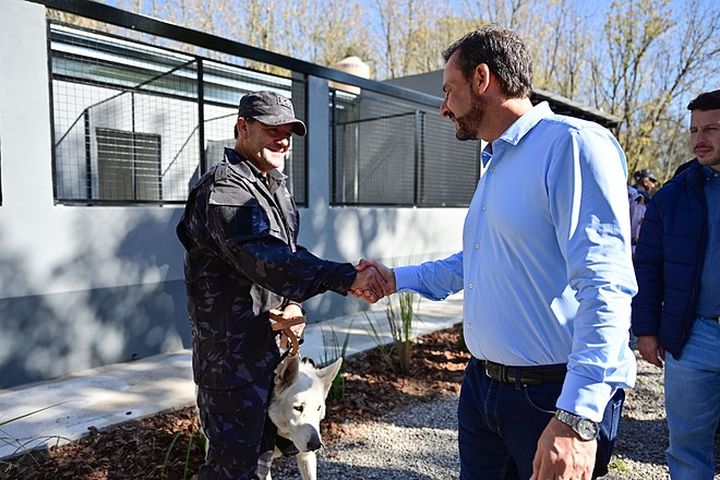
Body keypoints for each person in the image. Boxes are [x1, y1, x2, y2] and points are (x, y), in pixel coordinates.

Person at [356, 25, 637, 480]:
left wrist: (578, 416)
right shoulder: (495, 160)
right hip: (482, 389)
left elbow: (606, 285)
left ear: (482, 79)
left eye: (449, 91)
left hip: (550, 398)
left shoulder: (571, 145)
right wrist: (396, 280)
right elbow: (478, 261)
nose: (443, 107)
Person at [176, 90, 387, 480]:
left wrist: (291, 300)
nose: (283, 139)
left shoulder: (271, 185)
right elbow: (265, 259)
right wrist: (345, 276)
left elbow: (285, 251)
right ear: (242, 127)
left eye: (289, 131)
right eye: (272, 129)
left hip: (268, 357)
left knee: (260, 463)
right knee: (230, 470)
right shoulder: (225, 191)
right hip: (231, 365)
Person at [632, 89, 720, 480]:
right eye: (695, 130)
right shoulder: (671, 197)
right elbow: (648, 266)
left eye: (713, 129)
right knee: (687, 453)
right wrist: (647, 330)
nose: (700, 138)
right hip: (694, 337)